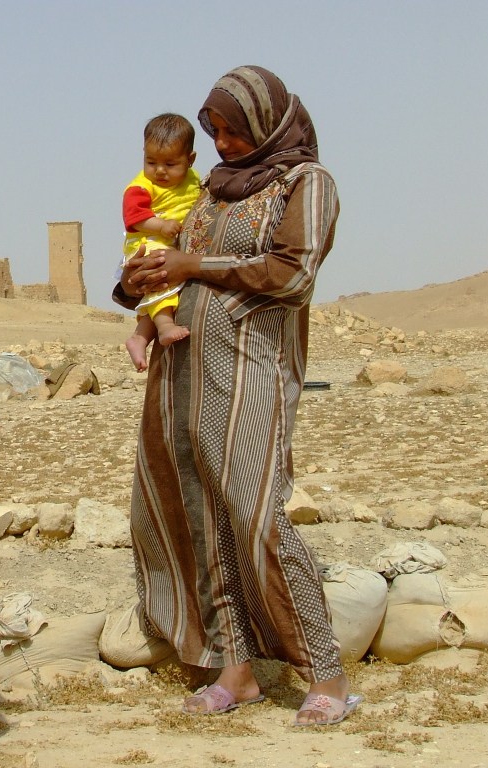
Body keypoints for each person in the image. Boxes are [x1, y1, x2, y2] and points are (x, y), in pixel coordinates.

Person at [114, 66, 361, 727]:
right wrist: (140, 274)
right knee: (202, 517)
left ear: (266, 123)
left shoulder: (305, 183)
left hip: (252, 371)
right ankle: (236, 666)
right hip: (182, 375)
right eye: (213, 131)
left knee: (258, 516)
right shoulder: (210, 194)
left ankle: (325, 671)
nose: (220, 143)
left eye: (230, 130)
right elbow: (170, 251)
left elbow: (292, 272)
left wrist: (192, 265)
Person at [121, 112, 201, 371]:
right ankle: (165, 325)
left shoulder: (193, 181)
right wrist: (162, 225)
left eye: (169, 164)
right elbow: (135, 217)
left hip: (170, 242)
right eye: (151, 161)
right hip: (148, 240)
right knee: (160, 272)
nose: (159, 171)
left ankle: (139, 337)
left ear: (190, 160)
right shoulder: (141, 186)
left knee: (161, 286)